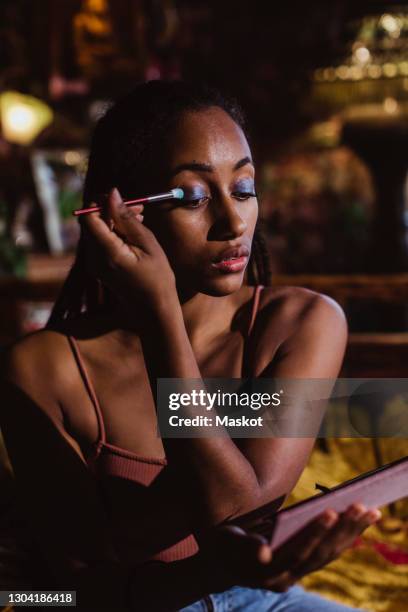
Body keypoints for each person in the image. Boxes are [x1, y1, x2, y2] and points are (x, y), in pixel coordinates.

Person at [0, 80, 381, 612]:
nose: (232, 223)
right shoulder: (43, 370)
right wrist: (160, 317)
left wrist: (217, 565)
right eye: (190, 197)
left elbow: (242, 508)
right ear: (119, 214)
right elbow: (66, 594)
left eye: (244, 189)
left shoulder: (299, 323)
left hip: (257, 599)